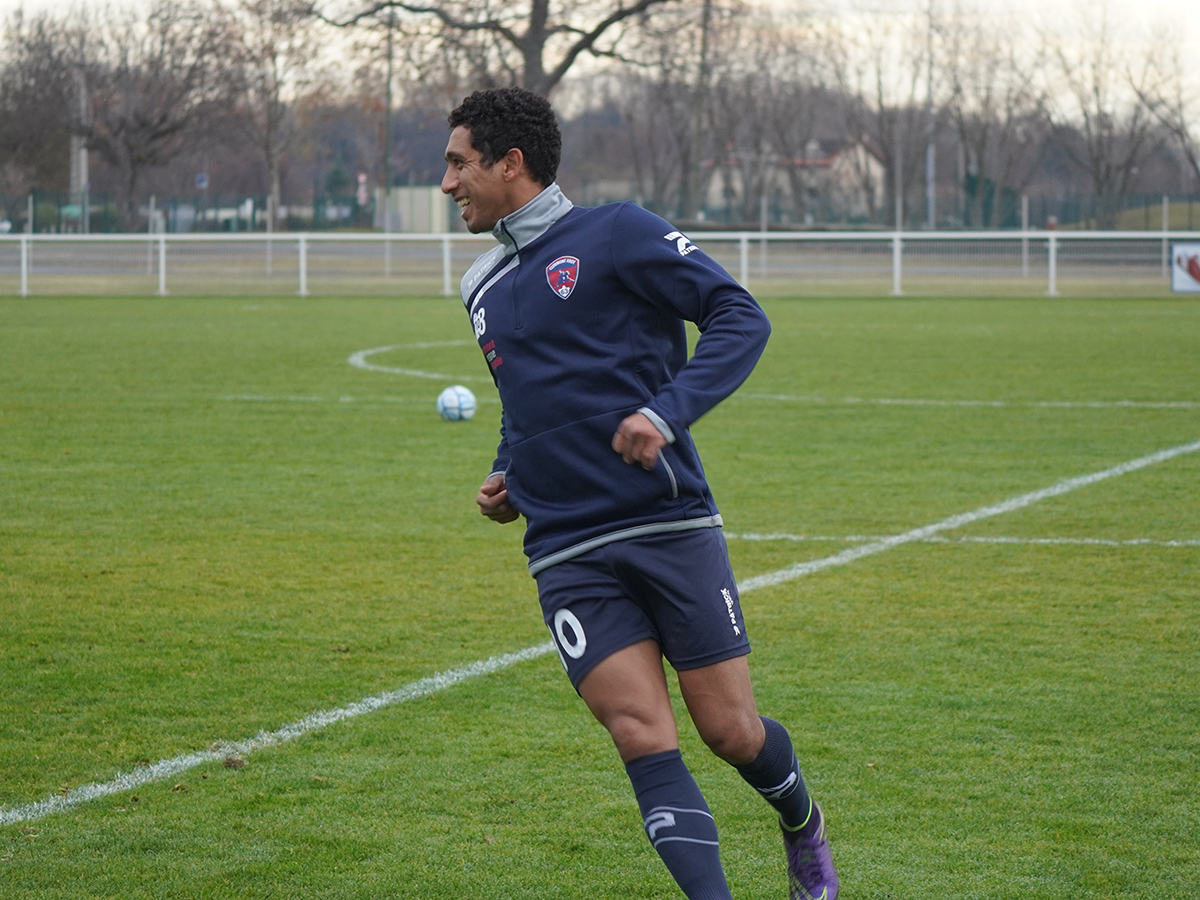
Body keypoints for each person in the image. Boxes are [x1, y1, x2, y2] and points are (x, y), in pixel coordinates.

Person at [442, 86, 838, 900]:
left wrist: (666, 412)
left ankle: (802, 820)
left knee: (730, 731)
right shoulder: (479, 284)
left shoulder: (617, 231)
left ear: (510, 163)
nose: (446, 183)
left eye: (458, 163)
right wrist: (508, 469)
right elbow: (524, 402)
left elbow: (738, 315)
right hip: (566, 549)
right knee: (639, 733)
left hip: (667, 523)